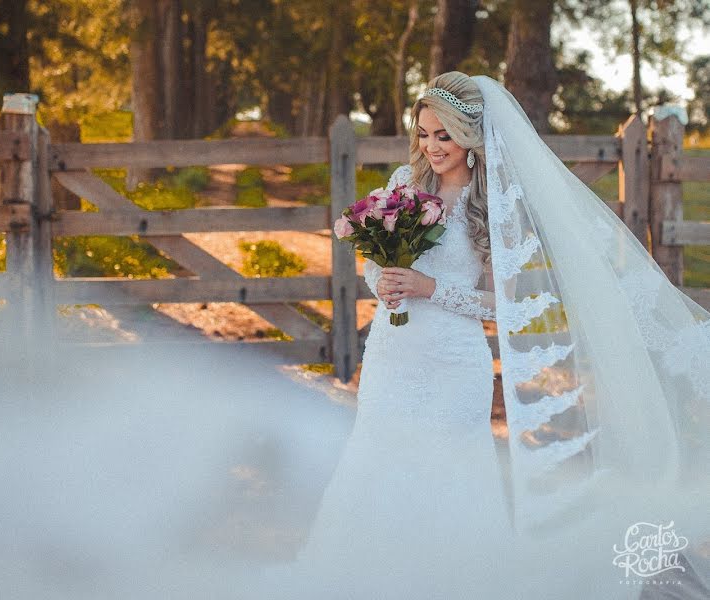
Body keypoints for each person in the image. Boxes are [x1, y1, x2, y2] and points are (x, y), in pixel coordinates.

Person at [255, 71, 710, 599]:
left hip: (454, 362)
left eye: (443, 135)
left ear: (470, 137)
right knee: (377, 458)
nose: (432, 146)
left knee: (448, 473)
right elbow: (373, 264)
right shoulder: (406, 183)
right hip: (393, 353)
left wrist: (432, 289)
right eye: (424, 133)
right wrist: (384, 280)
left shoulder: (492, 206)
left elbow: (504, 304)